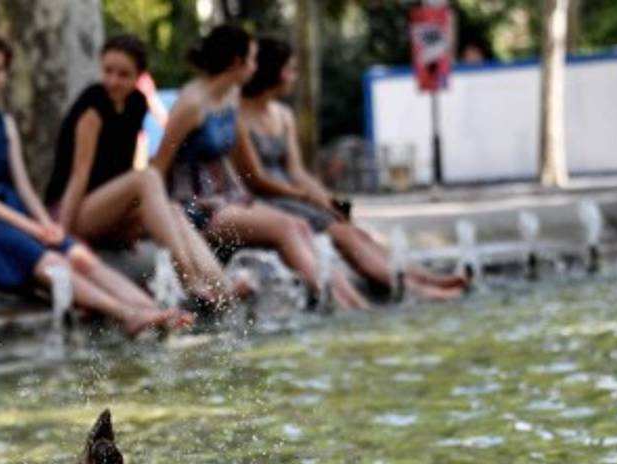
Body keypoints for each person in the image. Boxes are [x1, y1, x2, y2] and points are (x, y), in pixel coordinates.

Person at [0, 29, 191, 336]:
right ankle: (126, 314)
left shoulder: (4, 122)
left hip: (14, 210)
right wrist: (32, 228)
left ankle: (153, 309)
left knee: (81, 257)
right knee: (50, 259)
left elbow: (23, 186)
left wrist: (46, 223)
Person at [151, 25, 367, 311]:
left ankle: (353, 302)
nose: (255, 66)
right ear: (236, 62)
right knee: (286, 227)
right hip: (196, 206)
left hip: (228, 198)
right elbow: (158, 168)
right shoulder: (191, 104)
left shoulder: (229, 98)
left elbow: (238, 166)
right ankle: (335, 303)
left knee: (301, 224)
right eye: (252, 59)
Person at [236, 37, 466, 303]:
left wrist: (330, 202)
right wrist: (307, 199)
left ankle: (422, 277)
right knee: (344, 234)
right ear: (273, 72)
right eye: (291, 69)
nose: (295, 76)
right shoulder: (240, 116)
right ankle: (414, 290)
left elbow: (297, 171)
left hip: (294, 197)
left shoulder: (283, 115)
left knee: (356, 230)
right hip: (269, 200)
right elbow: (257, 180)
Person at [44, 34, 251, 311]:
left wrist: (133, 220)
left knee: (174, 210)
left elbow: (124, 169)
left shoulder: (137, 103)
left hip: (109, 209)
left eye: (123, 74)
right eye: (108, 71)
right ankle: (189, 278)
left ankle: (220, 287)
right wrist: (65, 238)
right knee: (148, 176)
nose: (113, 81)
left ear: (139, 76)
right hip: (75, 208)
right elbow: (78, 176)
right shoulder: (93, 104)